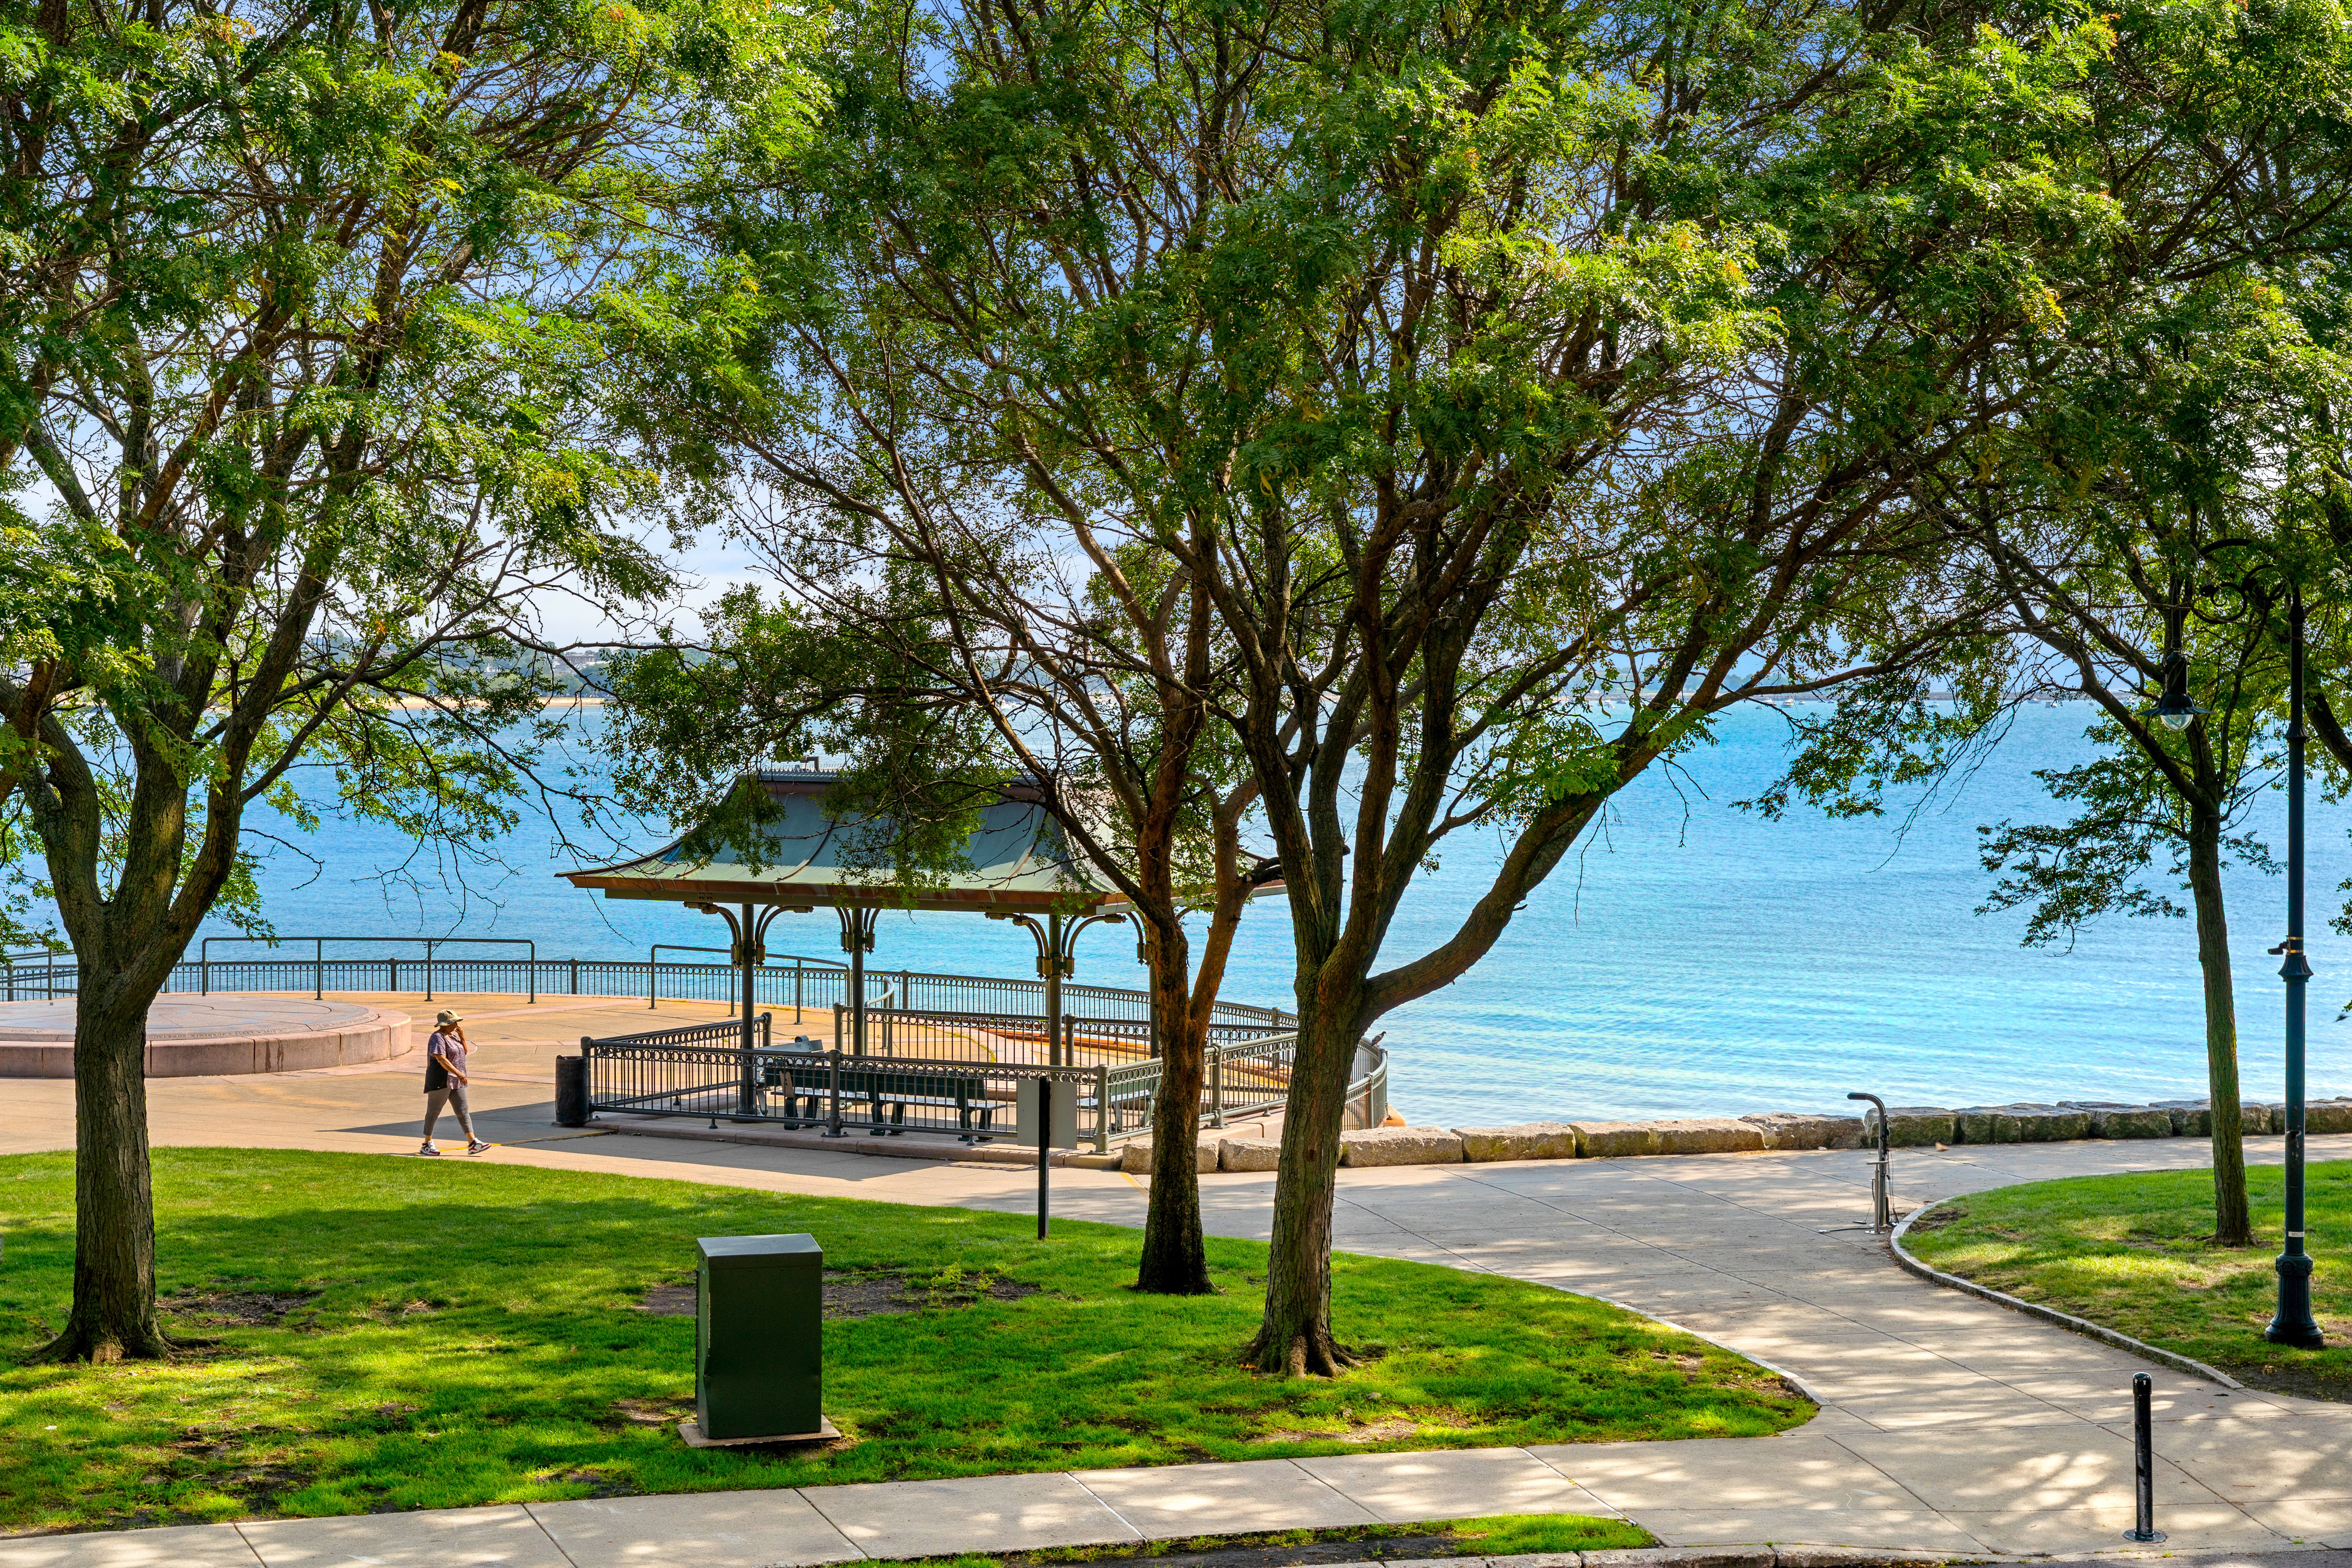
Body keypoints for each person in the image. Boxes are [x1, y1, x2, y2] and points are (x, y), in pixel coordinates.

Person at [420, 1011, 489, 1156]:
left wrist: (463, 1038)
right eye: (454, 1023)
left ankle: (473, 1143)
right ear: (446, 1025)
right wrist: (458, 1073)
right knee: (433, 1112)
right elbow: (441, 1059)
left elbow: (463, 1053)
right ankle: (427, 1144)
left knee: (463, 1110)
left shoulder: (452, 1037)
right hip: (441, 1080)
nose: (457, 1025)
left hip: (456, 1081)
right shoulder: (437, 1038)